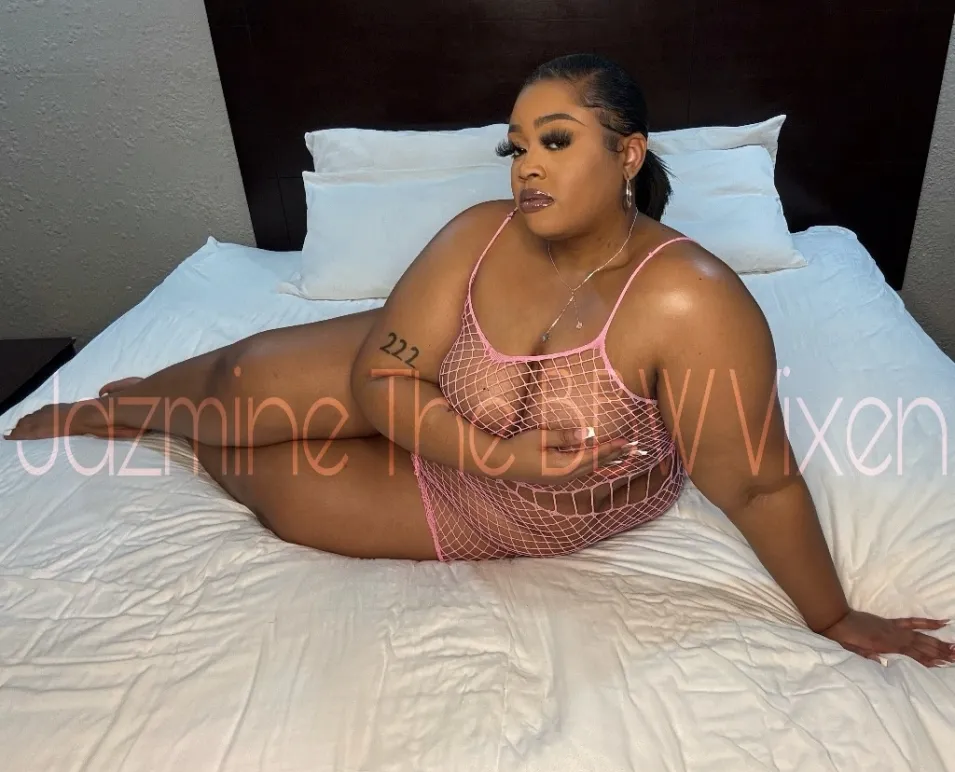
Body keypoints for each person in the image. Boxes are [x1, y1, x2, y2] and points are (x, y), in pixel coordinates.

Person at [6, 54, 953, 668]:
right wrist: (496, 444)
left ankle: (169, 432)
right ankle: (124, 404)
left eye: (555, 141)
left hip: (516, 499)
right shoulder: (479, 233)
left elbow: (756, 483)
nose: (524, 165)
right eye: (515, 146)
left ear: (628, 155)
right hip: (457, 391)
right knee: (245, 378)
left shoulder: (689, 301)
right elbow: (384, 376)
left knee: (278, 482)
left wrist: (832, 618)